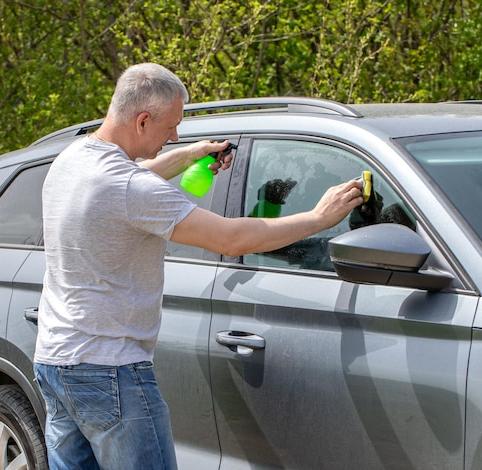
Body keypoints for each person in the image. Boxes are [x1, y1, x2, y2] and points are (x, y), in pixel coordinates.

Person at [33, 63, 363, 470]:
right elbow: (231, 239)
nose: (175, 135)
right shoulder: (130, 187)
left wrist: (186, 155)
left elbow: (125, 179)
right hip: (110, 370)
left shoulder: (76, 158)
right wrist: (318, 218)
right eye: (171, 127)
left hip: (55, 363)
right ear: (142, 120)